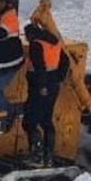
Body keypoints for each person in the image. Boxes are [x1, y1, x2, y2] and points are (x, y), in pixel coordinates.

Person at [22, 21, 63, 167]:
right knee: (46, 121)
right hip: (54, 85)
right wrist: (59, 79)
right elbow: (64, 61)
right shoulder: (55, 42)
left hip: (39, 87)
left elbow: (40, 66)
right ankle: (48, 157)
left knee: (29, 121)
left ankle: (36, 155)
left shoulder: (36, 44)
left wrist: (42, 86)